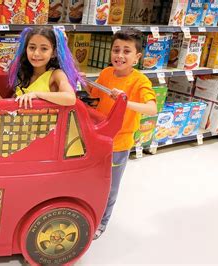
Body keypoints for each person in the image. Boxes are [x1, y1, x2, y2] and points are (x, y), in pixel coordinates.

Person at [86, 28, 157, 239]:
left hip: (119, 143)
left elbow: (152, 109)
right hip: (97, 137)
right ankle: (90, 213)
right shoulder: (106, 73)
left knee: (110, 185)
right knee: (93, 180)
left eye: (127, 51)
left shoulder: (140, 81)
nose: (120, 55)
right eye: (116, 49)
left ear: (137, 57)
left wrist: (125, 101)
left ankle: (102, 222)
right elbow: (96, 98)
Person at [0, 27, 83, 108]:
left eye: (44, 49)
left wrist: (36, 95)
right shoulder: (23, 74)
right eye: (32, 48)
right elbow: (13, 111)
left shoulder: (56, 74)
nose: (36, 54)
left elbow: (70, 98)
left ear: (53, 53)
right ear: (25, 49)